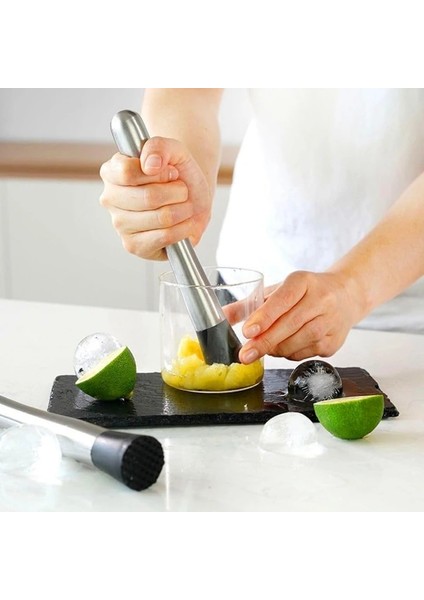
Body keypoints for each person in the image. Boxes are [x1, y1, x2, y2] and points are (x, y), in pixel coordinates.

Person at [100, 88, 424, 363]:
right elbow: (186, 92)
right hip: (246, 300)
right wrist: (173, 190)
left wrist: (351, 288)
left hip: (411, 320)